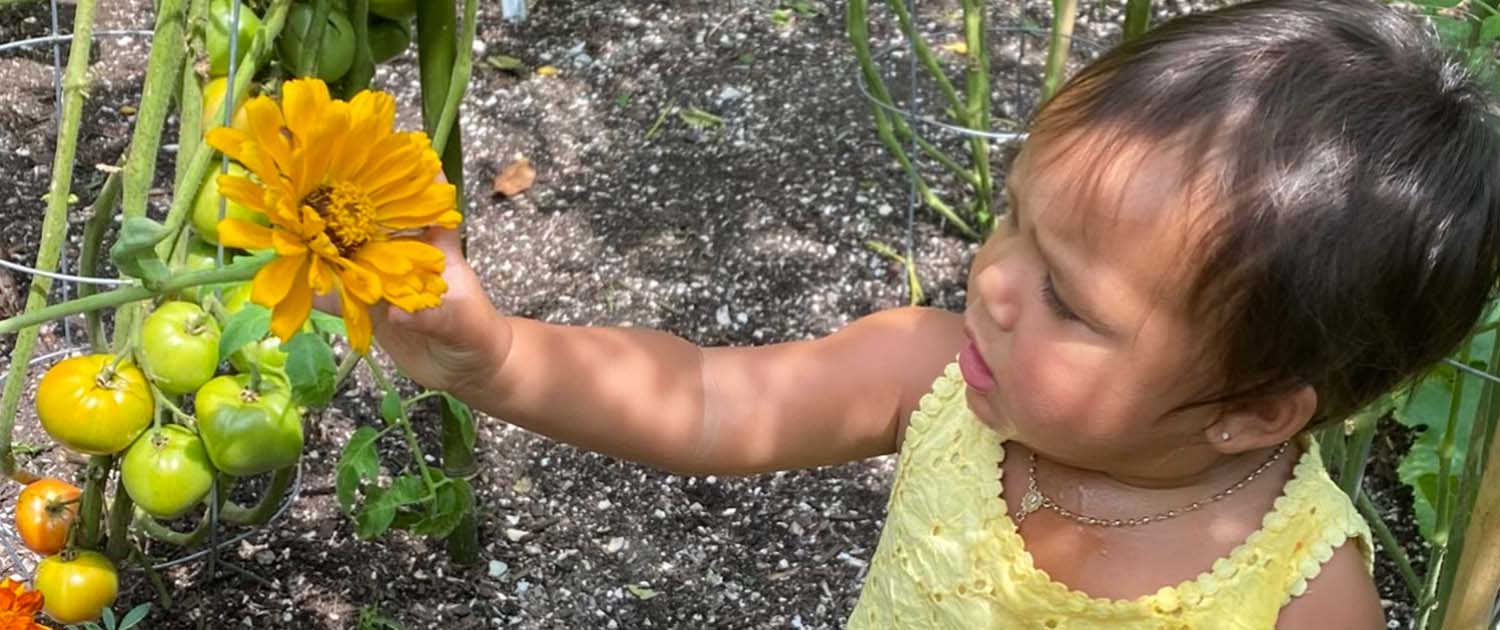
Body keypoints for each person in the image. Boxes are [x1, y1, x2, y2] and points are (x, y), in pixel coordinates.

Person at [363, 0, 1500, 626]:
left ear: (1253, 413)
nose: (992, 280)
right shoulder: (935, 379)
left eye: (1066, 298)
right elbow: (712, 400)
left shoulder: (1299, 596)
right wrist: (497, 358)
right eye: (1013, 217)